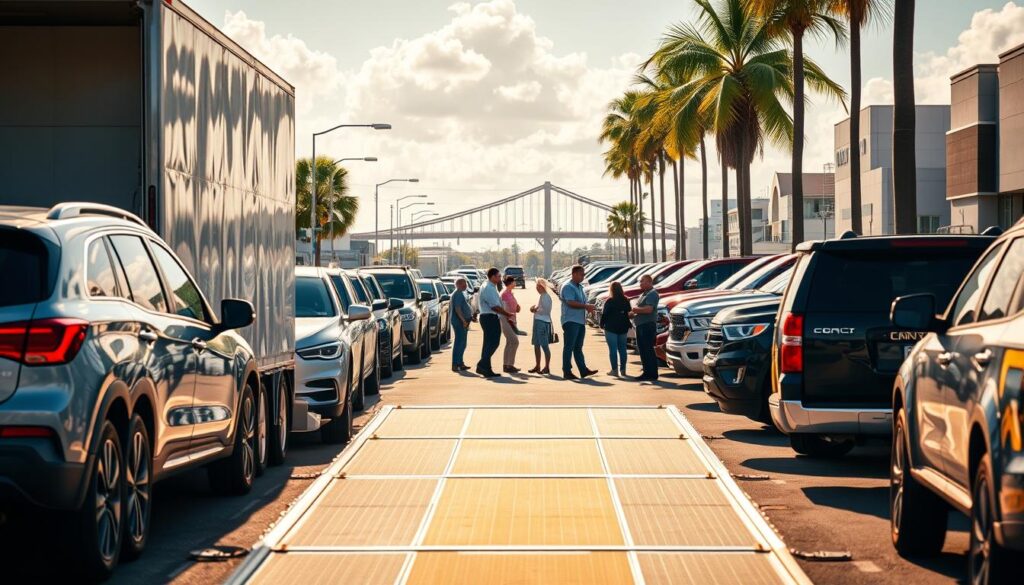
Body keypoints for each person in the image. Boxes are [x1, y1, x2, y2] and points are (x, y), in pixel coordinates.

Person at [559, 265, 598, 380]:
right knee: (569, 347)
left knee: (578, 347)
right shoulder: (568, 287)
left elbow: (583, 303)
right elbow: (571, 302)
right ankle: (567, 371)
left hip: (580, 321)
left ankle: (583, 370)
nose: (583, 276)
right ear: (574, 274)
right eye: (582, 274)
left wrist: (588, 309)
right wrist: (586, 306)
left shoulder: (580, 287)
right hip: (571, 321)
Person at [476, 267, 512, 378]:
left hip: (488, 317)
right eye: (498, 276)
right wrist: (507, 314)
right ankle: (482, 364)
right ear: (492, 277)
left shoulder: (489, 285)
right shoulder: (489, 288)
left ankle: (486, 369)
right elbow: (495, 307)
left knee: (487, 344)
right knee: (494, 342)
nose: (500, 278)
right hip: (489, 317)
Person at [629, 274, 660, 381]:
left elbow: (649, 309)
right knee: (642, 349)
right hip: (640, 325)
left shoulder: (652, 294)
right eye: (640, 281)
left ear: (649, 282)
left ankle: (651, 373)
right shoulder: (644, 294)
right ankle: (646, 372)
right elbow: (641, 309)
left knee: (647, 349)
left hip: (647, 326)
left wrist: (636, 310)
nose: (640, 283)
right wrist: (633, 314)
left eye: (642, 281)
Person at [599, 281, 631, 377]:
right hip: (623, 327)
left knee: (613, 349)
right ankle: (623, 369)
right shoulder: (626, 300)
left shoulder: (609, 301)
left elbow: (605, 314)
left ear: (611, 290)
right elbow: (628, 313)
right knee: (622, 349)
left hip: (611, 327)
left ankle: (614, 370)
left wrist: (601, 324)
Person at [528, 278, 553, 374]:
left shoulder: (546, 297)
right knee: (536, 345)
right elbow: (542, 309)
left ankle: (546, 366)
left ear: (541, 286)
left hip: (542, 323)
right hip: (538, 322)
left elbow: (546, 311)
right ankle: (537, 366)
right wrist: (535, 309)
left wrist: (535, 310)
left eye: (537, 286)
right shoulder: (542, 296)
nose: (536, 289)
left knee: (544, 346)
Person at [450, 277, 473, 372]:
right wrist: (463, 321)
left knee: (462, 343)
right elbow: (458, 309)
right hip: (459, 322)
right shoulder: (458, 294)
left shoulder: (459, 293)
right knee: (460, 342)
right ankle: (456, 363)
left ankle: (460, 362)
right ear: (459, 285)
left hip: (461, 321)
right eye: (464, 284)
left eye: (466, 284)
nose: (466, 286)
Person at [499, 275, 521, 373]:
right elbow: (504, 308)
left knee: (509, 342)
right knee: (515, 341)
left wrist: (517, 308)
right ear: (510, 283)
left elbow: (514, 306)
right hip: (506, 320)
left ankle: (506, 365)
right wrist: (509, 318)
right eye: (514, 282)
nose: (515, 283)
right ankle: (510, 365)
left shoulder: (510, 293)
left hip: (512, 319)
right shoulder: (504, 294)